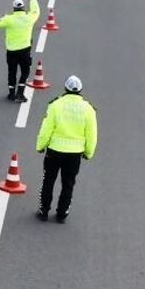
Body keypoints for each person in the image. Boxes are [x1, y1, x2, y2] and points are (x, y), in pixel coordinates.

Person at [35, 74, 98, 223]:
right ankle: (62, 213)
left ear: (65, 88)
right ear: (80, 90)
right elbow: (92, 135)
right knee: (68, 184)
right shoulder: (88, 109)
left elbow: (46, 129)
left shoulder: (55, 105)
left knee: (48, 181)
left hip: (54, 151)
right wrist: (88, 152)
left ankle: (43, 210)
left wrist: (40, 146)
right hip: (75, 154)